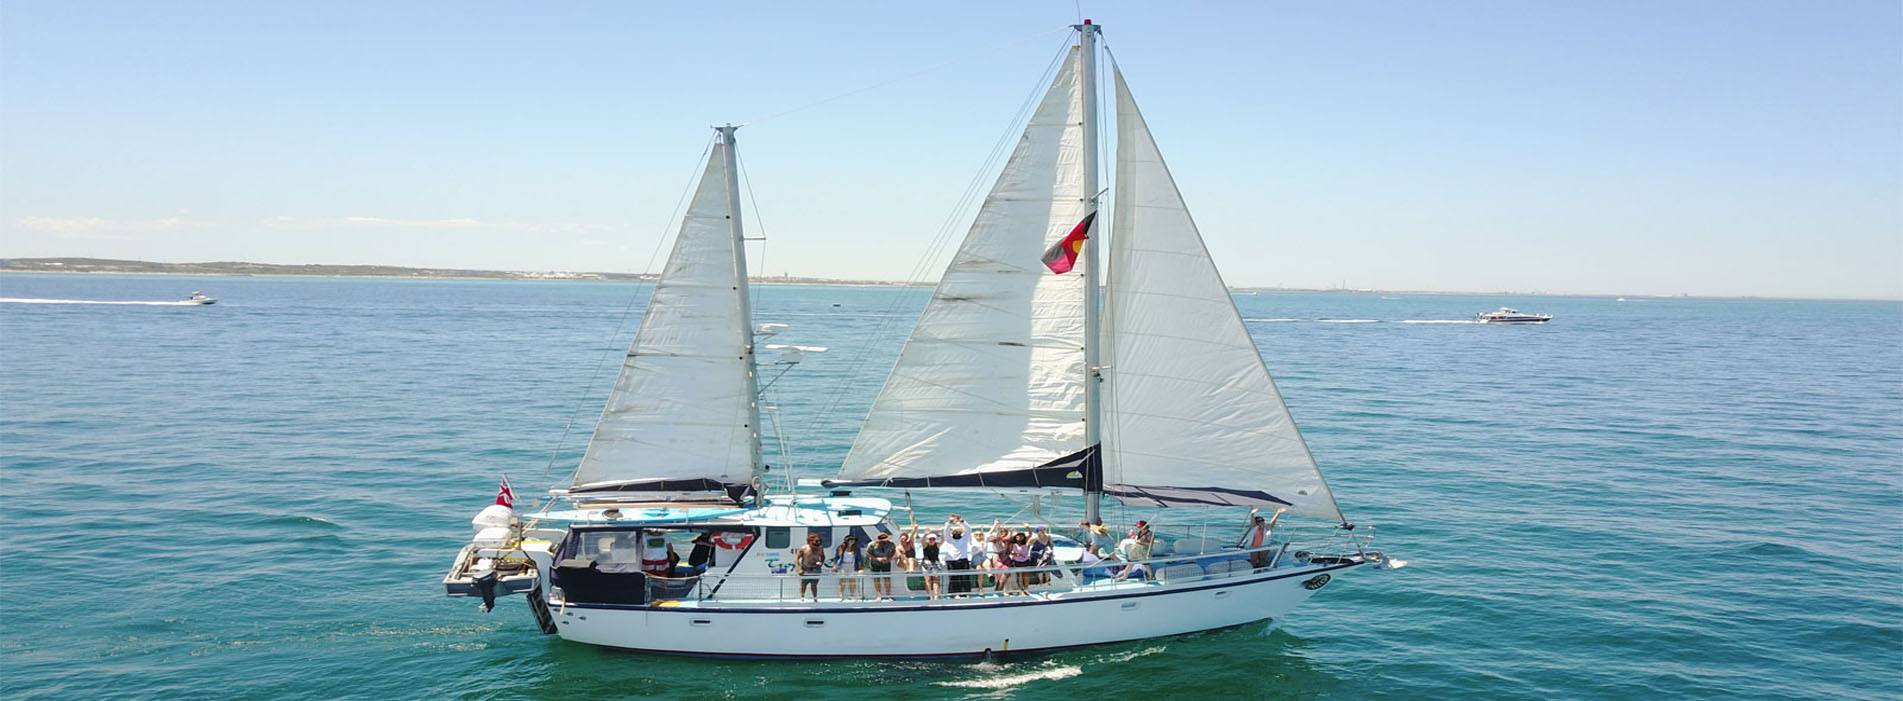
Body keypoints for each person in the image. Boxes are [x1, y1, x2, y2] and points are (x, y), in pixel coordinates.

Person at [940, 514, 975, 596]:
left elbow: (969, 529)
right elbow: (946, 530)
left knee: (965, 578)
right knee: (953, 578)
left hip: (963, 560)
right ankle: (955, 594)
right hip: (951, 561)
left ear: (961, 533)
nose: (956, 533)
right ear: (952, 533)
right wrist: (949, 522)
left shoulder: (964, 538)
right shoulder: (949, 539)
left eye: (958, 532)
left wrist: (962, 521)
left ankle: (967, 593)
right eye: (955, 532)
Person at [794, 533, 826, 602]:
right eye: (815, 543)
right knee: (804, 584)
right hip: (806, 568)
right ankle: (802, 597)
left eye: (818, 542)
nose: (816, 545)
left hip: (816, 568)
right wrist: (799, 569)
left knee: (814, 584)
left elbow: (823, 556)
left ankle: (815, 598)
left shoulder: (820, 548)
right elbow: (796, 559)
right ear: (809, 542)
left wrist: (821, 562)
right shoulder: (803, 548)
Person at [866, 532, 897, 601]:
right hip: (875, 563)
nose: (884, 542)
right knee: (876, 579)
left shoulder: (891, 544)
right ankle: (879, 595)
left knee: (887, 579)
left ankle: (888, 595)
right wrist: (877, 558)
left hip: (886, 562)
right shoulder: (872, 544)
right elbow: (868, 553)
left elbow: (894, 551)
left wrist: (889, 558)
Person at [833, 534, 864, 601]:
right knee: (842, 581)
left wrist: (860, 568)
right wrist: (835, 565)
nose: (852, 541)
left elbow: (859, 559)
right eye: (851, 540)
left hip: (852, 565)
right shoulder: (841, 547)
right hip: (843, 565)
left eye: (853, 540)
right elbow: (836, 557)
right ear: (847, 540)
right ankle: (841, 596)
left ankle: (852, 595)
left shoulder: (856, 548)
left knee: (852, 581)